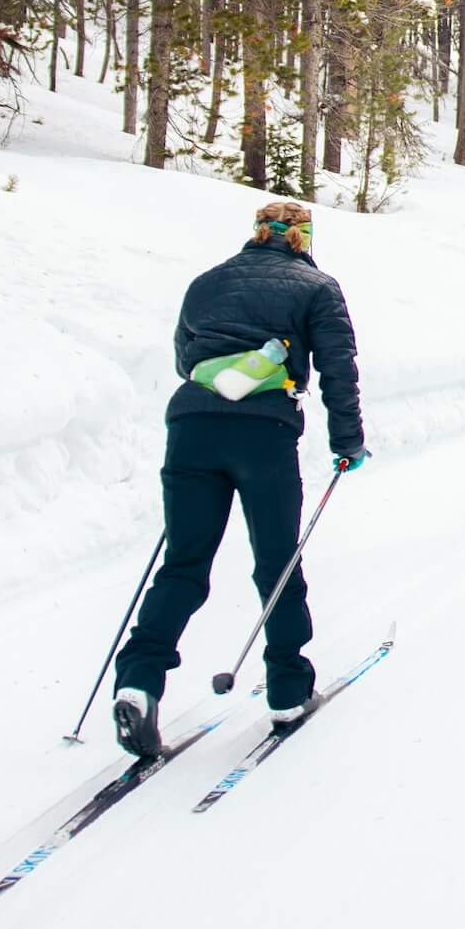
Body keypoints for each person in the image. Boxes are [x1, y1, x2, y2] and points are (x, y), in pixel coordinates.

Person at [112, 200, 367, 757]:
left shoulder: (206, 283)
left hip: (192, 424)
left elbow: (185, 358)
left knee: (183, 563)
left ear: (257, 233)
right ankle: (287, 688)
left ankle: (137, 680)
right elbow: (338, 366)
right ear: (303, 236)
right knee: (277, 561)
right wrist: (347, 442)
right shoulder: (317, 287)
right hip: (263, 432)